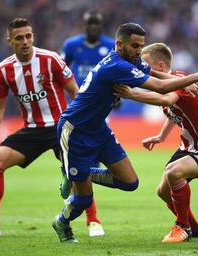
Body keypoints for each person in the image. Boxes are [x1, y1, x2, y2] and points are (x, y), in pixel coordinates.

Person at [51, 22, 198, 243]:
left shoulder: (131, 60)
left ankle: (77, 173)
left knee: (129, 182)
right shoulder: (116, 66)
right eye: (134, 46)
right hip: (75, 130)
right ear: (119, 44)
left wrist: (181, 82)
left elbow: (154, 73)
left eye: (141, 46)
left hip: (99, 129)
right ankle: (62, 223)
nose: (139, 51)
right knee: (84, 200)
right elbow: (159, 88)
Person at [0, 18, 78, 238]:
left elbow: (75, 92)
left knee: (78, 172)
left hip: (60, 126)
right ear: (10, 41)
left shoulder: (51, 59)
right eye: (19, 38)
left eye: (28, 36)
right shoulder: (3, 70)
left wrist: (79, 125)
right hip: (32, 131)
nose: (25, 41)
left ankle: (93, 221)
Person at [113, 42, 198, 243]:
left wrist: (132, 94)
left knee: (174, 173)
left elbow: (168, 101)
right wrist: (161, 136)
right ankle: (194, 228)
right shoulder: (175, 83)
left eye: (146, 63)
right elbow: (175, 111)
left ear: (159, 66)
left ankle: (182, 227)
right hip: (190, 147)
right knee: (163, 192)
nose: (142, 67)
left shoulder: (179, 80)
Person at [59, 10, 115, 237]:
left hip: (101, 108)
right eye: (89, 23)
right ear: (84, 26)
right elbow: (60, 71)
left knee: (86, 162)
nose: (93, 26)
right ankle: (93, 220)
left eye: (96, 23)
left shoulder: (110, 45)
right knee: (88, 159)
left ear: (101, 26)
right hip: (78, 109)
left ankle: (69, 173)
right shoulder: (72, 45)